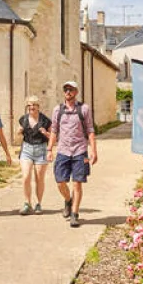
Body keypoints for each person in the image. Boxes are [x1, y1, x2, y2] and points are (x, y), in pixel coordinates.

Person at [46, 80, 97, 228]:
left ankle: (75, 214)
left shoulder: (84, 109)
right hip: (63, 150)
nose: (68, 92)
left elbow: (90, 130)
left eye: (71, 89)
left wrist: (94, 150)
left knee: (77, 183)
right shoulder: (57, 110)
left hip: (80, 151)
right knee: (60, 181)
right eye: (66, 89)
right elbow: (54, 131)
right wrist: (49, 149)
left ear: (76, 92)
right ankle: (68, 200)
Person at [17, 96, 51, 215]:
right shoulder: (23, 119)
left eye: (34, 105)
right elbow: (19, 132)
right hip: (26, 149)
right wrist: (19, 131)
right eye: (29, 105)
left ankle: (38, 204)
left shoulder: (45, 120)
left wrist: (45, 133)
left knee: (39, 179)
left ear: (38, 107)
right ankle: (27, 203)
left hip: (41, 149)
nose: (31, 107)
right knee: (26, 176)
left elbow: (53, 137)